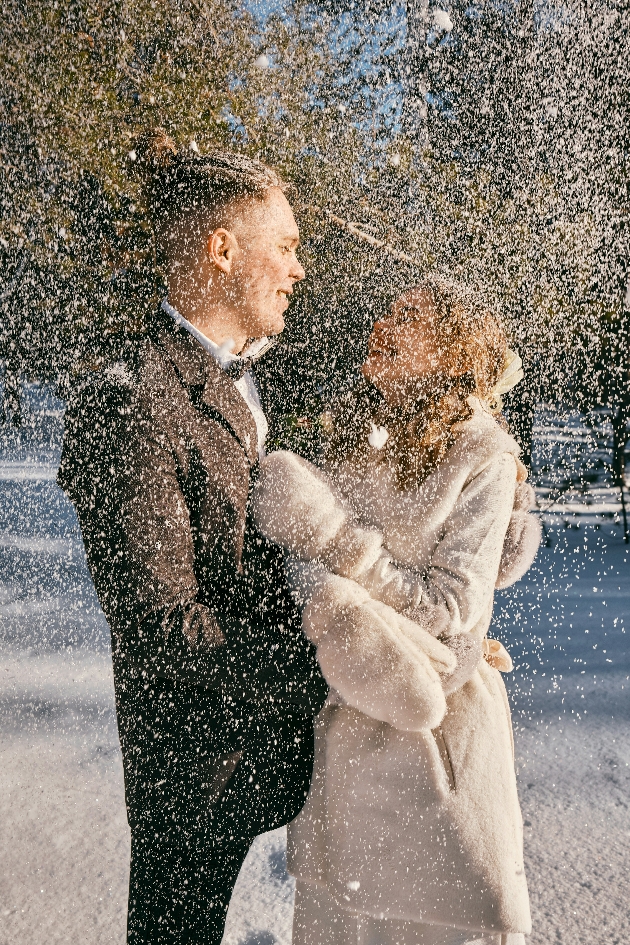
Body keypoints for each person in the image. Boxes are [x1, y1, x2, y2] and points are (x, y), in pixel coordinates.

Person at [57, 129, 328, 945]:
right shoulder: (133, 401)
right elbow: (164, 629)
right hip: (197, 772)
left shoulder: (234, 376)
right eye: (284, 245)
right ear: (221, 250)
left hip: (259, 749)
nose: (298, 267)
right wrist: (332, 667)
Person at [252, 277, 540, 945]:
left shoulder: (483, 451)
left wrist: (336, 542)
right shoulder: (358, 424)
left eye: (406, 313)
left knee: (424, 923)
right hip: (347, 739)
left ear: (449, 348)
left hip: (432, 739)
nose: (382, 319)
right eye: (389, 304)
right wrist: (321, 582)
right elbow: (301, 547)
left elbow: (454, 606)